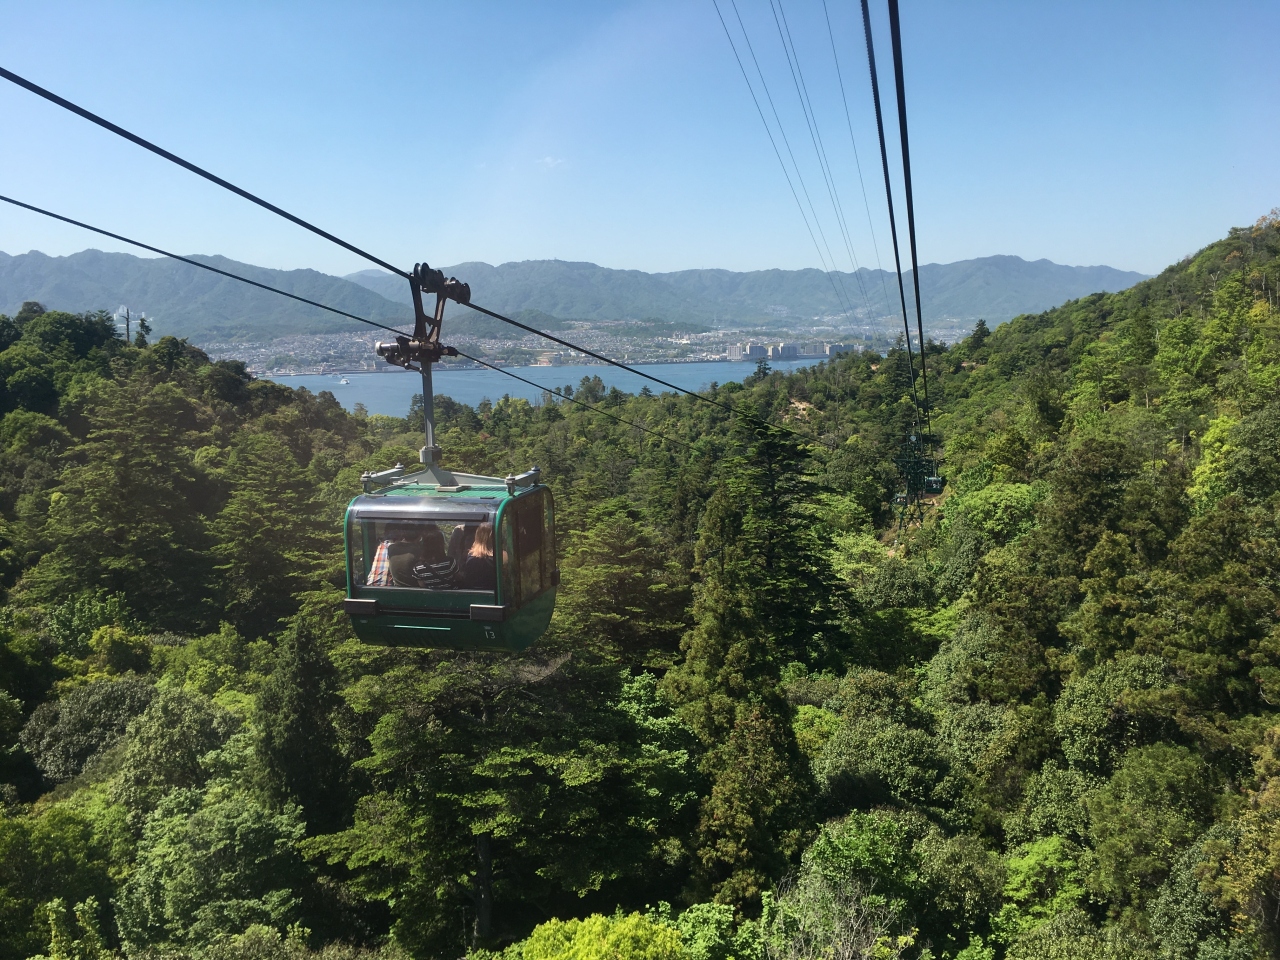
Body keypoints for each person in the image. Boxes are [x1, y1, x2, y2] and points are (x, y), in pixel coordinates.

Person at [460, 522, 497, 591]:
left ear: (477, 537)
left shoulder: (469, 557)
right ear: (493, 537)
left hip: (472, 594)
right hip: (494, 594)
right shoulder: (500, 556)